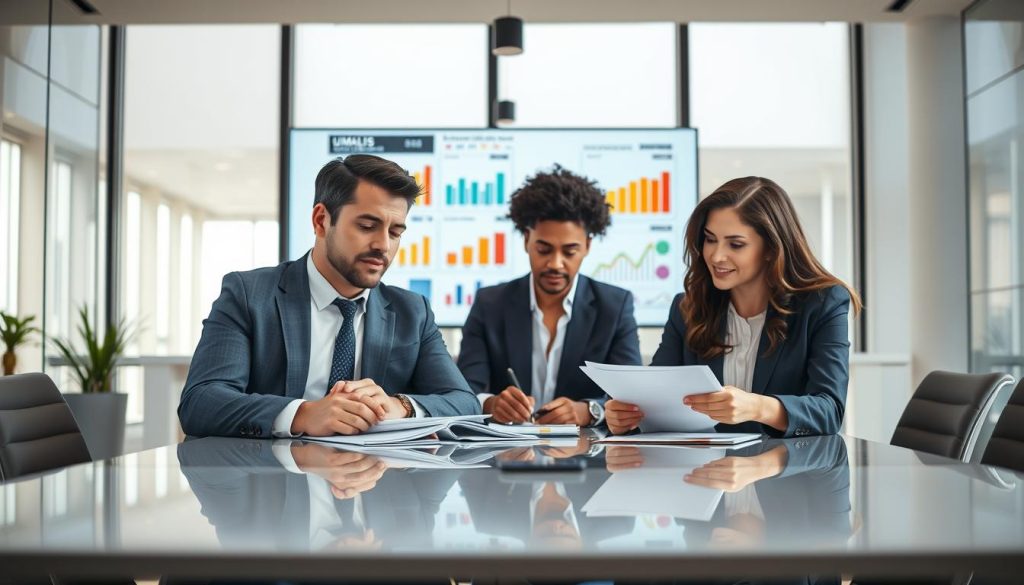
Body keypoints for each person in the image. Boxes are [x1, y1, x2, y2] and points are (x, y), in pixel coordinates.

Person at [179, 155, 480, 439]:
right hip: (275, 483)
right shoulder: (249, 294)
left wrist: (399, 406)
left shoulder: (413, 312)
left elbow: (464, 402)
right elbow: (201, 401)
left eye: (395, 232)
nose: (383, 246)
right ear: (321, 220)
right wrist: (303, 415)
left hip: (375, 487)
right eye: (366, 226)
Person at [606, 176, 861, 437]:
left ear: (771, 249)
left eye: (735, 244)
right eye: (710, 239)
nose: (716, 256)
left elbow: (829, 411)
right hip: (703, 472)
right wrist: (626, 415)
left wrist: (758, 407)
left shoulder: (823, 303)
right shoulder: (687, 308)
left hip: (785, 472)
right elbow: (655, 397)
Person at [457, 165, 641, 427]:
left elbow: (632, 396)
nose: (555, 263)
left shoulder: (615, 306)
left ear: (587, 246)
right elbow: (463, 390)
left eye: (569, 251)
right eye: (544, 249)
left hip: (586, 455)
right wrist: (492, 404)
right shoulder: (490, 304)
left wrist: (588, 411)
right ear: (526, 241)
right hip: (508, 455)